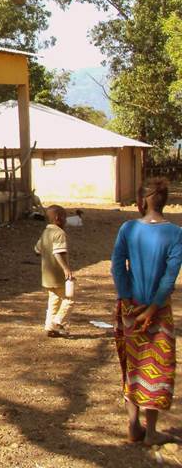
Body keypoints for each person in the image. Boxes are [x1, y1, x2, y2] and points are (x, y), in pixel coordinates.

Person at [112, 177, 182, 446]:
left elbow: (117, 266)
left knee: (133, 366)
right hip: (159, 313)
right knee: (156, 369)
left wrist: (127, 301)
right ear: (164, 202)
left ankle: (133, 425)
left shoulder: (128, 229)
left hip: (130, 310)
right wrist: (153, 308)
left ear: (141, 202)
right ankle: (151, 432)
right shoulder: (175, 234)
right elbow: (169, 277)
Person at [34, 204, 75, 337]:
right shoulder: (59, 233)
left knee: (54, 300)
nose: (66, 221)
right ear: (58, 218)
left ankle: (50, 327)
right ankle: (59, 322)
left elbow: (37, 250)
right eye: (64, 218)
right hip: (58, 275)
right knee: (69, 299)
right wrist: (66, 269)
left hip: (47, 275)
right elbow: (58, 253)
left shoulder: (46, 232)